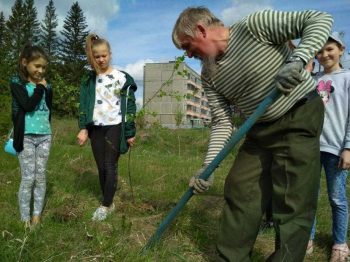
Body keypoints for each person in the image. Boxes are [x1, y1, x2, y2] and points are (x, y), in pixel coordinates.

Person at [172, 7, 333, 261]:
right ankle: (232, 257)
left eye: (187, 46)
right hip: (259, 129)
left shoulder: (254, 26)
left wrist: (298, 59)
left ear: (201, 30)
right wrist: (208, 168)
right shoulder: (209, 74)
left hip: (298, 114)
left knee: (292, 199)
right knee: (240, 188)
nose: (189, 54)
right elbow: (222, 122)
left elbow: (319, 18)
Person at [77, 34, 137, 221]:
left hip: (115, 126)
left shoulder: (121, 78)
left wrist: (129, 132)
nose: (101, 59)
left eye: (104, 55)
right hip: (96, 128)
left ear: (110, 54)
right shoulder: (89, 79)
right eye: (97, 56)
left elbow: (130, 107)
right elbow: (84, 104)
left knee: (110, 165)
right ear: (92, 57)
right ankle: (109, 202)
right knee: (101, 167)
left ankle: (105, 205)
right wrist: (83, 128)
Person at [306, 32, 350, 262]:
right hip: (311, 149)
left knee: (337, 197)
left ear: (341, 49)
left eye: (330, 49)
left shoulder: (348, 78)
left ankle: (340, 243)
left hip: (336, 149)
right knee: (309, 197)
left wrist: (348, 148)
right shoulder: (312, 80)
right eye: (319, 51)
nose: (324, 55)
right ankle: (308, 237)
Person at [10, 44, 52, 229]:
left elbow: (48, 110)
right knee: (28, 178)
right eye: (37, 66)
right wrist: (40, 89)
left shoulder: (47, 87)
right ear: (25, 63)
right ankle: (24, 218)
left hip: (44, 136)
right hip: (26, 137)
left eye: (43, 67)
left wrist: (44, 89)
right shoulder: (17, 84)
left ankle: (36, 215)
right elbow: (27, 105)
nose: (40, 70)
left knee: (40, 176)